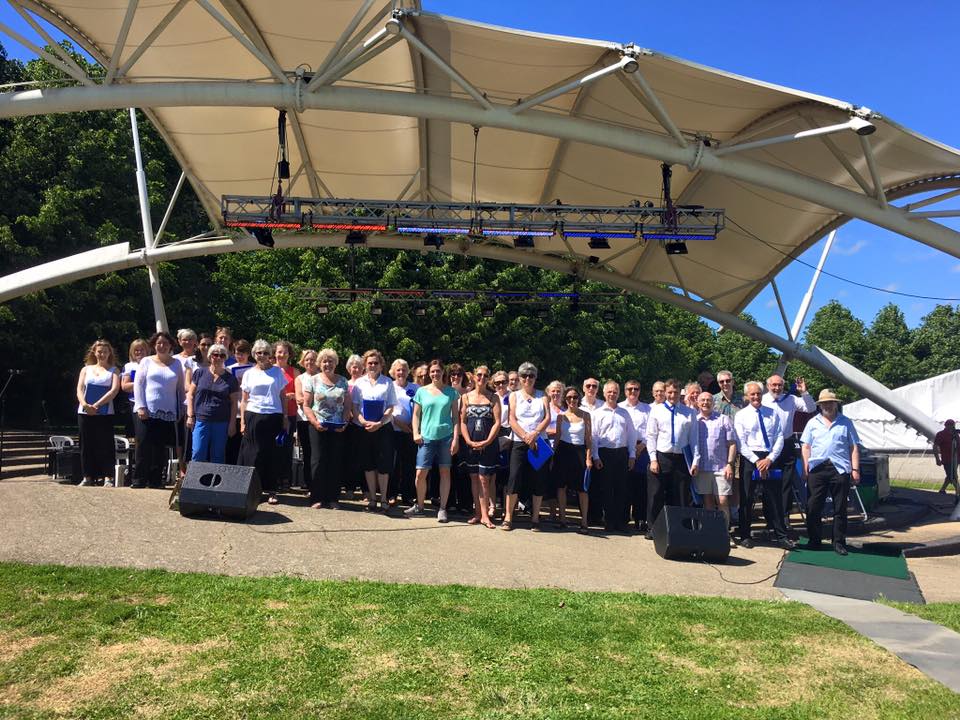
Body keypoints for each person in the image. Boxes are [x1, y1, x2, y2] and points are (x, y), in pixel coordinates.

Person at [734, 381, 795, 549]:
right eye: (752, 394)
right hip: (750, 458)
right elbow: (740, 442)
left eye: (758, 394)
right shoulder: (741, 415)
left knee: (775, 498)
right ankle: (745, 535)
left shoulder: (772, 413)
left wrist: (769, 459)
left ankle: (780, 535)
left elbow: (779, 438)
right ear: (747, 396)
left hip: (769, 458)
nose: (755, 397)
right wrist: (756, 461)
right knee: (746, 498)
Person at [801, 389, 861, 555]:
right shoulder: (812, 423)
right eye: (824, 403)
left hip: (840, 468)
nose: (827, 405)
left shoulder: (846, 422)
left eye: (830, 402)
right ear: (820, 405)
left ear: (836, 404)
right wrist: (805, 466)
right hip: (817, 468)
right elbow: (806, 446)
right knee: (813, 507)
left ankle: (839, 542)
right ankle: (814, 540)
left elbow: (853, 446)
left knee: (840, 507)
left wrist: (855, 469)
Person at [646, 379, 700, 538]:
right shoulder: (656, 411)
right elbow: (651, 436)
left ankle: (679, 529)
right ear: (664, 393)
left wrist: (695, 460)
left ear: (679, 394)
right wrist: (653, 459)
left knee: (681, 495)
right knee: (655, 494)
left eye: (675, 392)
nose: (672, 395)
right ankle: (653, 528)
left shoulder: (689, 413)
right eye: (669, 392)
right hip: (661, 457)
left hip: (681, 458)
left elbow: (694, 439)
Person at [407, 359, 459, 521]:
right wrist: (416, 432)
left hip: (446, 437)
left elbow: (456, 418)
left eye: (438, 371)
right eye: (432, 371)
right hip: (426, 438)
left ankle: (442, 509)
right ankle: (420, 506)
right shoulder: (421, 391)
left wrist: (456, 439)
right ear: (429, 374)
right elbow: (416, 415)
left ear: (443, 372)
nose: (435, 374)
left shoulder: (451, 392)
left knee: (445, 472)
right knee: (421, 473)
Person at [238, 339, 289, 505]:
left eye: (265, 352)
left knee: (272, 454)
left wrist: (285, 418)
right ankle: (254, 490)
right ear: (254, 354)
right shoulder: (248, 373)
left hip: (274, 416)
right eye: (259, 352)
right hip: (253, 415)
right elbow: (244, 400)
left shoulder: (277, 372)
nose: (262, 355)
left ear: (270, 355)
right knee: (253, 455)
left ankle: (272, 491)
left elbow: (282, 397)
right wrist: (243, 422)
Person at [302, 348, 352, 509]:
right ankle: (316, 497)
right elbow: (306, 405)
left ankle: (333, 498)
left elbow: (347, 406)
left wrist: (344, 423)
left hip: (338, 428)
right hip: (318, 426)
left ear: (336, 363)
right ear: (320, 363)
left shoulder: (343, 381)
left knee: (335, 461)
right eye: (324, 361)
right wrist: (315, 422)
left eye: (330, 361)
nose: (327, 364)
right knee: (318, 461)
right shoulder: (313, 380)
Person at [133, 332, 184, 489]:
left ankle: (156, 480)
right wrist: (141, 406)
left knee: (160, 447)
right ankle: (139, 479)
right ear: (154, 345)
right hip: (147, 410)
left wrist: (180, 408)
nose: (162, 346)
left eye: (165, 343)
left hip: (168, 412)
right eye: (159, 343)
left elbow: (180, 388)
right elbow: (138, 384)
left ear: (170, 346)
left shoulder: (177, 364)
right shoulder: (146, 361)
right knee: (143, 444)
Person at [763, 374, 816, 524]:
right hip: (769, 446)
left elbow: (811, 408)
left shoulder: (791, 399)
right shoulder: (762, 399)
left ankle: (784, 516)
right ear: (768, 386)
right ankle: (770, 518)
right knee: (769, 483)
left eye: (779, 385)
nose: (777, 388)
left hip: (787, 444)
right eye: (773, 385)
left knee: (786, 483)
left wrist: (803, 392)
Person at [505, 362, 551, 531]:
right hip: (519, 441)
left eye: (531, 376)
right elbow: (511, 419)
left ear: (535, 378)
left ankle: (535, 518)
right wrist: (525, 436)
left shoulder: (542, 396)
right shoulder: (514, 396)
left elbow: (547, 417)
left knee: (538, 480)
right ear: (520, 378)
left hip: (539, 442)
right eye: (524, 376)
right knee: (514, 478)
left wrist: (535, 434)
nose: (527, 379)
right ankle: (508, 517)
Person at [352, 349, 397, 511]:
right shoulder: (359, 383)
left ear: (381, 365)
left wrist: (379, 422)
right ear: (365, 365)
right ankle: (372, 498)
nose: (372, 365)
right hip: (364, 428)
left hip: (383, 428)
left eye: (375, 363)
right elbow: (355, 406)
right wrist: (363, 421)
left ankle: (383, 498)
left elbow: (391, 406)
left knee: (384, 464)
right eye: (370, 363)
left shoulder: (387, 382)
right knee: (368, 464)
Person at [591, 381, 638, 533]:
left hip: (622, 453)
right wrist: (596, 456)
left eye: (615, 392)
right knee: (606, 489)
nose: (612, 394)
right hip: (605, 453)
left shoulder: (625, 413)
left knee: (622, 488)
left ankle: (621, 521)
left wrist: (632, 455)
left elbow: (631, 435)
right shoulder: (597, 413)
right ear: (604, 394)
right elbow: (593, 437)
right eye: (609, 392)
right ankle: (609, 521)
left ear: (619, 394)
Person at [459, 365, 500, 528]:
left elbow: (497, 422)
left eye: (485, 375)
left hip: (488, 444)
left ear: (488, 378)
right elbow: (462, 421)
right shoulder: (466, 397)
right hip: (470, 443)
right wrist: (468, 440)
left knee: (485, 479)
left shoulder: (493, 397)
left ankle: (485, 515)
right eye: (479, 375)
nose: (481, 378)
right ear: (474, 377)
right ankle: (477, 513)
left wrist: (487, 441)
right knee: (474, 478)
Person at [75, 339, 120, 486]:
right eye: (99, 351)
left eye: (105, 352)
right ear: (94, 352)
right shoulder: (86, 369)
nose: (102, 354)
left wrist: (97, 405)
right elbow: (80, 389)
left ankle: (108, 477)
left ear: (109, 353)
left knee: (105, 444)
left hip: (105, 413)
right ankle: (87, 476)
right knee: (86, 444)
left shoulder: (114, 370)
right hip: (85, 412)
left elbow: (114, 390)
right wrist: (85, 404)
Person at [186, 343, 240, 463]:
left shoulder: (231, 379)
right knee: (198, 453)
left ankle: (215, 481)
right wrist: (190, 415)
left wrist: (232, 424)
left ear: (225, 358)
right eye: (215, 355)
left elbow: (234, 403)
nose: (218, 358)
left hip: (221, 422)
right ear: (210, 356)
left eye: (222, 355)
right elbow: (190, 394)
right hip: (201, 419)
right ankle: (195, 481)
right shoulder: (200, 373)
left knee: (218, 455)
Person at [693, 392, 737, 531]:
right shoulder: (694, 421)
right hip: (702, 468)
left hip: (721, 468)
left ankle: (724, 533)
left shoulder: (723, 419)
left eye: (708, 400)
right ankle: (711, 533)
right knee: (708, 502)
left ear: (713, 402)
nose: (705, 402)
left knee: (723, 501)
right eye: (702, 400)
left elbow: (732, 444)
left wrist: (730, 464)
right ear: (698, 403)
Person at [554, 386, 593, 533]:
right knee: (561, 487)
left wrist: (588, 458)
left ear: (579, 399)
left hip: (579, 452)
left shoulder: (586, 416)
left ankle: (584, 522)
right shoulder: (560, 417)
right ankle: (563, 519)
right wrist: (552, 456)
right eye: (569, 397)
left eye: (575, 397)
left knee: (582, 489)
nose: (572, 400)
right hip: (563, 452)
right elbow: (557, 437)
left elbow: (588, 439)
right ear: (565, 399)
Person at [714, 369, 746, 525]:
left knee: (737, 480)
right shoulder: (713, 400)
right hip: (719, 448)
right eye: (722, 381)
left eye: (728, 380)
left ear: (733, 381)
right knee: (722, 479)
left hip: (739, 446)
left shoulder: (743, 399)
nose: (725, 384)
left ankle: (734, 512)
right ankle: (719, 512)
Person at [619, 379, 650, 532]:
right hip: (624, 448)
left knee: (641, 486)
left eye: (636, 389)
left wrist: (641, 445)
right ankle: (623, 517)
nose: (633, 392)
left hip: (642, 449)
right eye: (630, 389)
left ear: (639, 390)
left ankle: (640, 518)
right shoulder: (619, 408)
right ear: (625, 391)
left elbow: (651, 430)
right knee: (624, 485)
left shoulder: (647, 409)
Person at [389, 358, 418, 505]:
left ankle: (407, 495)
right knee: (394, 464)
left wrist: (413, 425)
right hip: (394, 429)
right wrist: (399, 423)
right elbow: (387, 409)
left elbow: (420, 409)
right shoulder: (389, 386)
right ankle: (391, 494)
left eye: (404, 369)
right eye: (398, 369)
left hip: (411, 431)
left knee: (409, 465)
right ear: (393, 372)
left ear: (408, 372)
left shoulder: (416, 388)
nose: (401, 372)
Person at [273, 340, 300, 490]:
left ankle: (285, 479)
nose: (281, 355)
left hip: (289, 414)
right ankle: (273, 478)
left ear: (289, 354)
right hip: (273, 413)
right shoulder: (269, 370)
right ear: (274, 353)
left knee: (286, 447)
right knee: (273, 447)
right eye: (279, 352)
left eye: (284, 352)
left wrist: (292, 395)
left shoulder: (294, 372)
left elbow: (300, 395)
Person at [294, 349, 319, 487]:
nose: (310, 362)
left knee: (319, 453)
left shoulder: (322, 376)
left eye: (313, 359)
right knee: (308, 452)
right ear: (303, 362)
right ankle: (309, 483)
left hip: (320, 419)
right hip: (304, 419)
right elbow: (299, 399)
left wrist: (308, 400)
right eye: (307, 359)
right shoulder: (300, 378)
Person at [225, 339, 252, 464]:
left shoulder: (254, 368)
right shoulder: (229, 369)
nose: (240, 356)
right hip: (234, 410)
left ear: (248, 353)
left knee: (247, 445)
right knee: (232, 445)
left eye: (243, 353)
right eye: (237, 353)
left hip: (250, 409)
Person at [121, 338, 150, 440]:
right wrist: (140, 383)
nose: (139, 352)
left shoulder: (152, 363)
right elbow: (125, 386)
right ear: (132, 352)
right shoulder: (129, 366)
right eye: (136, 350)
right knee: (139, 436)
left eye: (142, 349)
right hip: (135, 403)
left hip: (152, 404)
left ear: (147, 350)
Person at [934, 419, 959, 497]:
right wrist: (937, 459)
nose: (951, 427)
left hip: (956, 459)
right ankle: (958, 491)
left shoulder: (955, 435)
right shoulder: (941, 434)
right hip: (947, 459)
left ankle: (942, 490)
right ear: (945, 425)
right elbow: (935, 446)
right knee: (953, 476)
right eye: (949, 425)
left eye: (953, 425)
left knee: (950, 475)